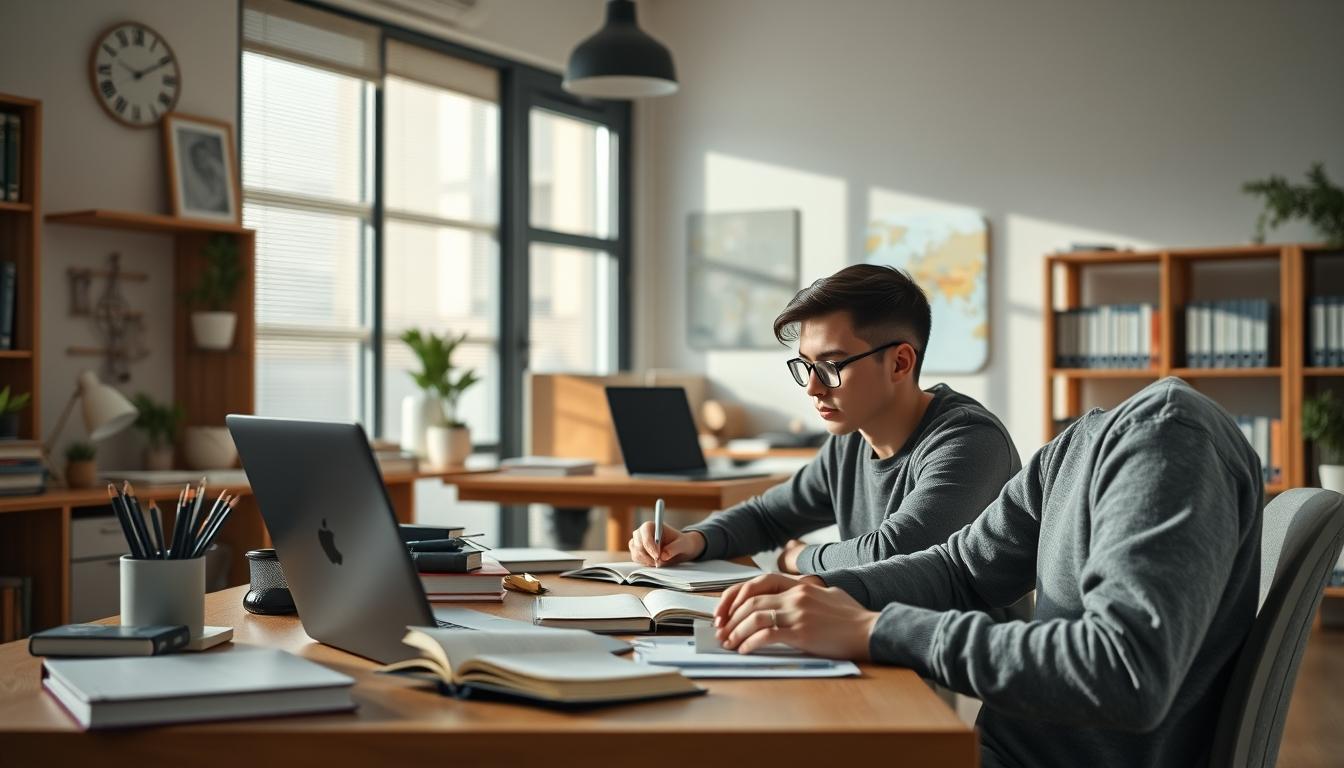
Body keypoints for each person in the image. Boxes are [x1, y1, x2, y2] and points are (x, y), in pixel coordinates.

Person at [713, 377, 1263, 768]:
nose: (814, 386)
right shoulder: (1075, 446)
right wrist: (829, 590)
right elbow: (961, 567)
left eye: (832, 364)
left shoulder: (1166, 441)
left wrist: (871, 629)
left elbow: (1124, 673)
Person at [629, 264, 1021, 574]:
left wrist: (796, 558)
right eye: (805, 365)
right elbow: (768, 516)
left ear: (900, 362)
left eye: (832, 365)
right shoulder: (850, 438)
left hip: (951, 666)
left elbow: (894, 552)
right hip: (870, 642)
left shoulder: (969, 442)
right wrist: (694, 539)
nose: (812, 388)